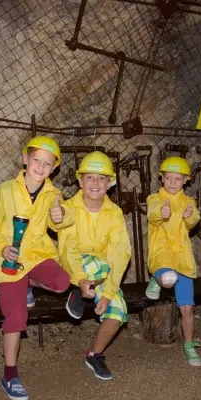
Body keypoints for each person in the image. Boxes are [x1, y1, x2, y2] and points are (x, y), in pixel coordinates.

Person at [0, 136, 73, 400]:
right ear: (25, 159)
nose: (41, 167)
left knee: (62, 282)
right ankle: (9, 374)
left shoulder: (52, 194)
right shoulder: (5, 190)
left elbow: (62, 218)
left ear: (54, 168)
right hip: (8, 261)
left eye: (48, 163)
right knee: (16, 317)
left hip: (35, 256)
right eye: (36, 160)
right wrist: (0, 247)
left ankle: (29, 286)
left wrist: (60, 217)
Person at [59, 151, 131, 380]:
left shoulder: (114, 213)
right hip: (72, 267)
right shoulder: (68, 208)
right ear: (80, 180)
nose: (95, 183)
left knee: (119, 310)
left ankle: (94, 354)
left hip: (101, 272)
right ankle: (77, 292)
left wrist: (109, 293)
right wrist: (79, 278)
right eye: (90, 177)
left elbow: (120, 253)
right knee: (98, 264)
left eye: (102, 178)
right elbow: (68, 247)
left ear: (110, 183)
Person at [145, 156, 201, 366]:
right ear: (162, 178)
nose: (172, 183)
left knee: (187, 309)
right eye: (168, 178)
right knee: (168, 278)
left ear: (185, 180)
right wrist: (162, 212)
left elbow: (193, 220)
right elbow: (152, 215)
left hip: (183, 260)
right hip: (162, 256)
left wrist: (190, 215)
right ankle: (156, 278)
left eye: (177, 179)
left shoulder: (189, 202)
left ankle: (189, 345)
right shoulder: (155, 199)